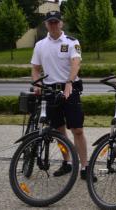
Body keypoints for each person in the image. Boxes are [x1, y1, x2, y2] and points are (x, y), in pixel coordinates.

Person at [30, 11, 96, 182]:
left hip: (69, 89)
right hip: (50, 91)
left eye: (56, 22)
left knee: (77, 130)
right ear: (46, 24)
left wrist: (69, 81)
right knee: (59, 130)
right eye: (50, 22)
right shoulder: (40, 45)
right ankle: (66, 162)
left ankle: (84, 166)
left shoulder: (72, 42)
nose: (53, 25)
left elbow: (76, 63)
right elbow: (35, 68)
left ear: (61, 23)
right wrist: (37, 84)